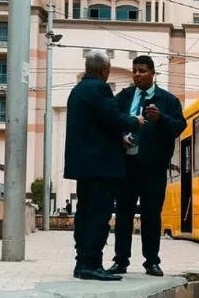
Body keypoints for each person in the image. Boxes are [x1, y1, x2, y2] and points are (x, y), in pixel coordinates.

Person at [64, 50, 144, 281]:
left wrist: (118, 137)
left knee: (85, 214)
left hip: (84, 166)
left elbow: (96, 126)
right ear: (104, 70)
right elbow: (113, 118)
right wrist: (135, 121)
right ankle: (92, 264)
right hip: (101, 166)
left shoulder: (77, 90)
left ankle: (81, 263)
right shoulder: (99, 88)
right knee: (99, 216)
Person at [109, 56, 186, 277]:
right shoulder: (123, 97)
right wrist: (120, 137)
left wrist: (160, 119)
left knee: (152, 215)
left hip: (154, 168)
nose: (137, 74)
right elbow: (111, 121)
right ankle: (120, 260)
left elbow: (179, 127)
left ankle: (151, 261)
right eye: (135, 70)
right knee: (123, 214)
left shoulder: (168, 100)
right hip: (127, 165)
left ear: (153, 73)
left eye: (142, 71)